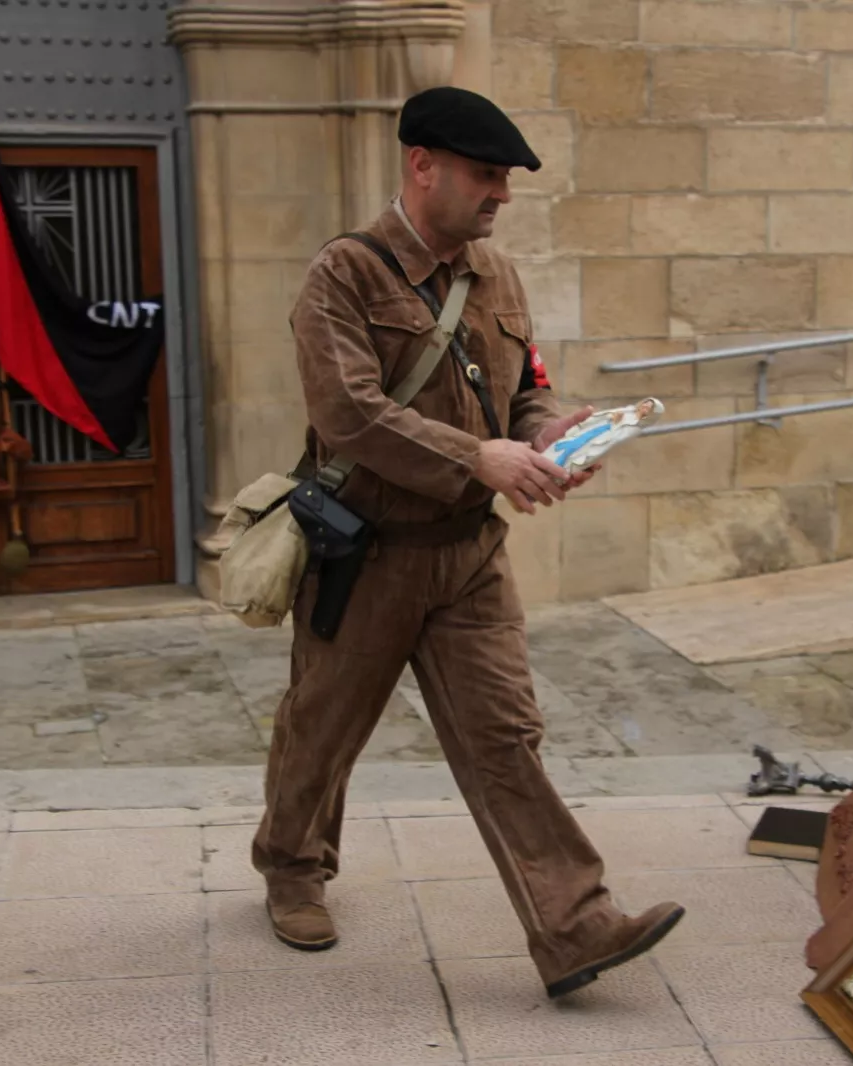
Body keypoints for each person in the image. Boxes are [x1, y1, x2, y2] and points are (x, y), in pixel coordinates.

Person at [250, 85, 684, 998]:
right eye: (487, 176)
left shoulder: (498, 276)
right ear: (422, 165)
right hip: (364, 552)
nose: (502, 195)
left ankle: (573, 925)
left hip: (469, 553)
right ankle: (292, 867)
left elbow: (518, 389)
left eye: (505, 180)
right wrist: (475, 457)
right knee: (323, 728)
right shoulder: (346, 274)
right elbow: (348, 413)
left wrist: (549, 434)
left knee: (505, 736)